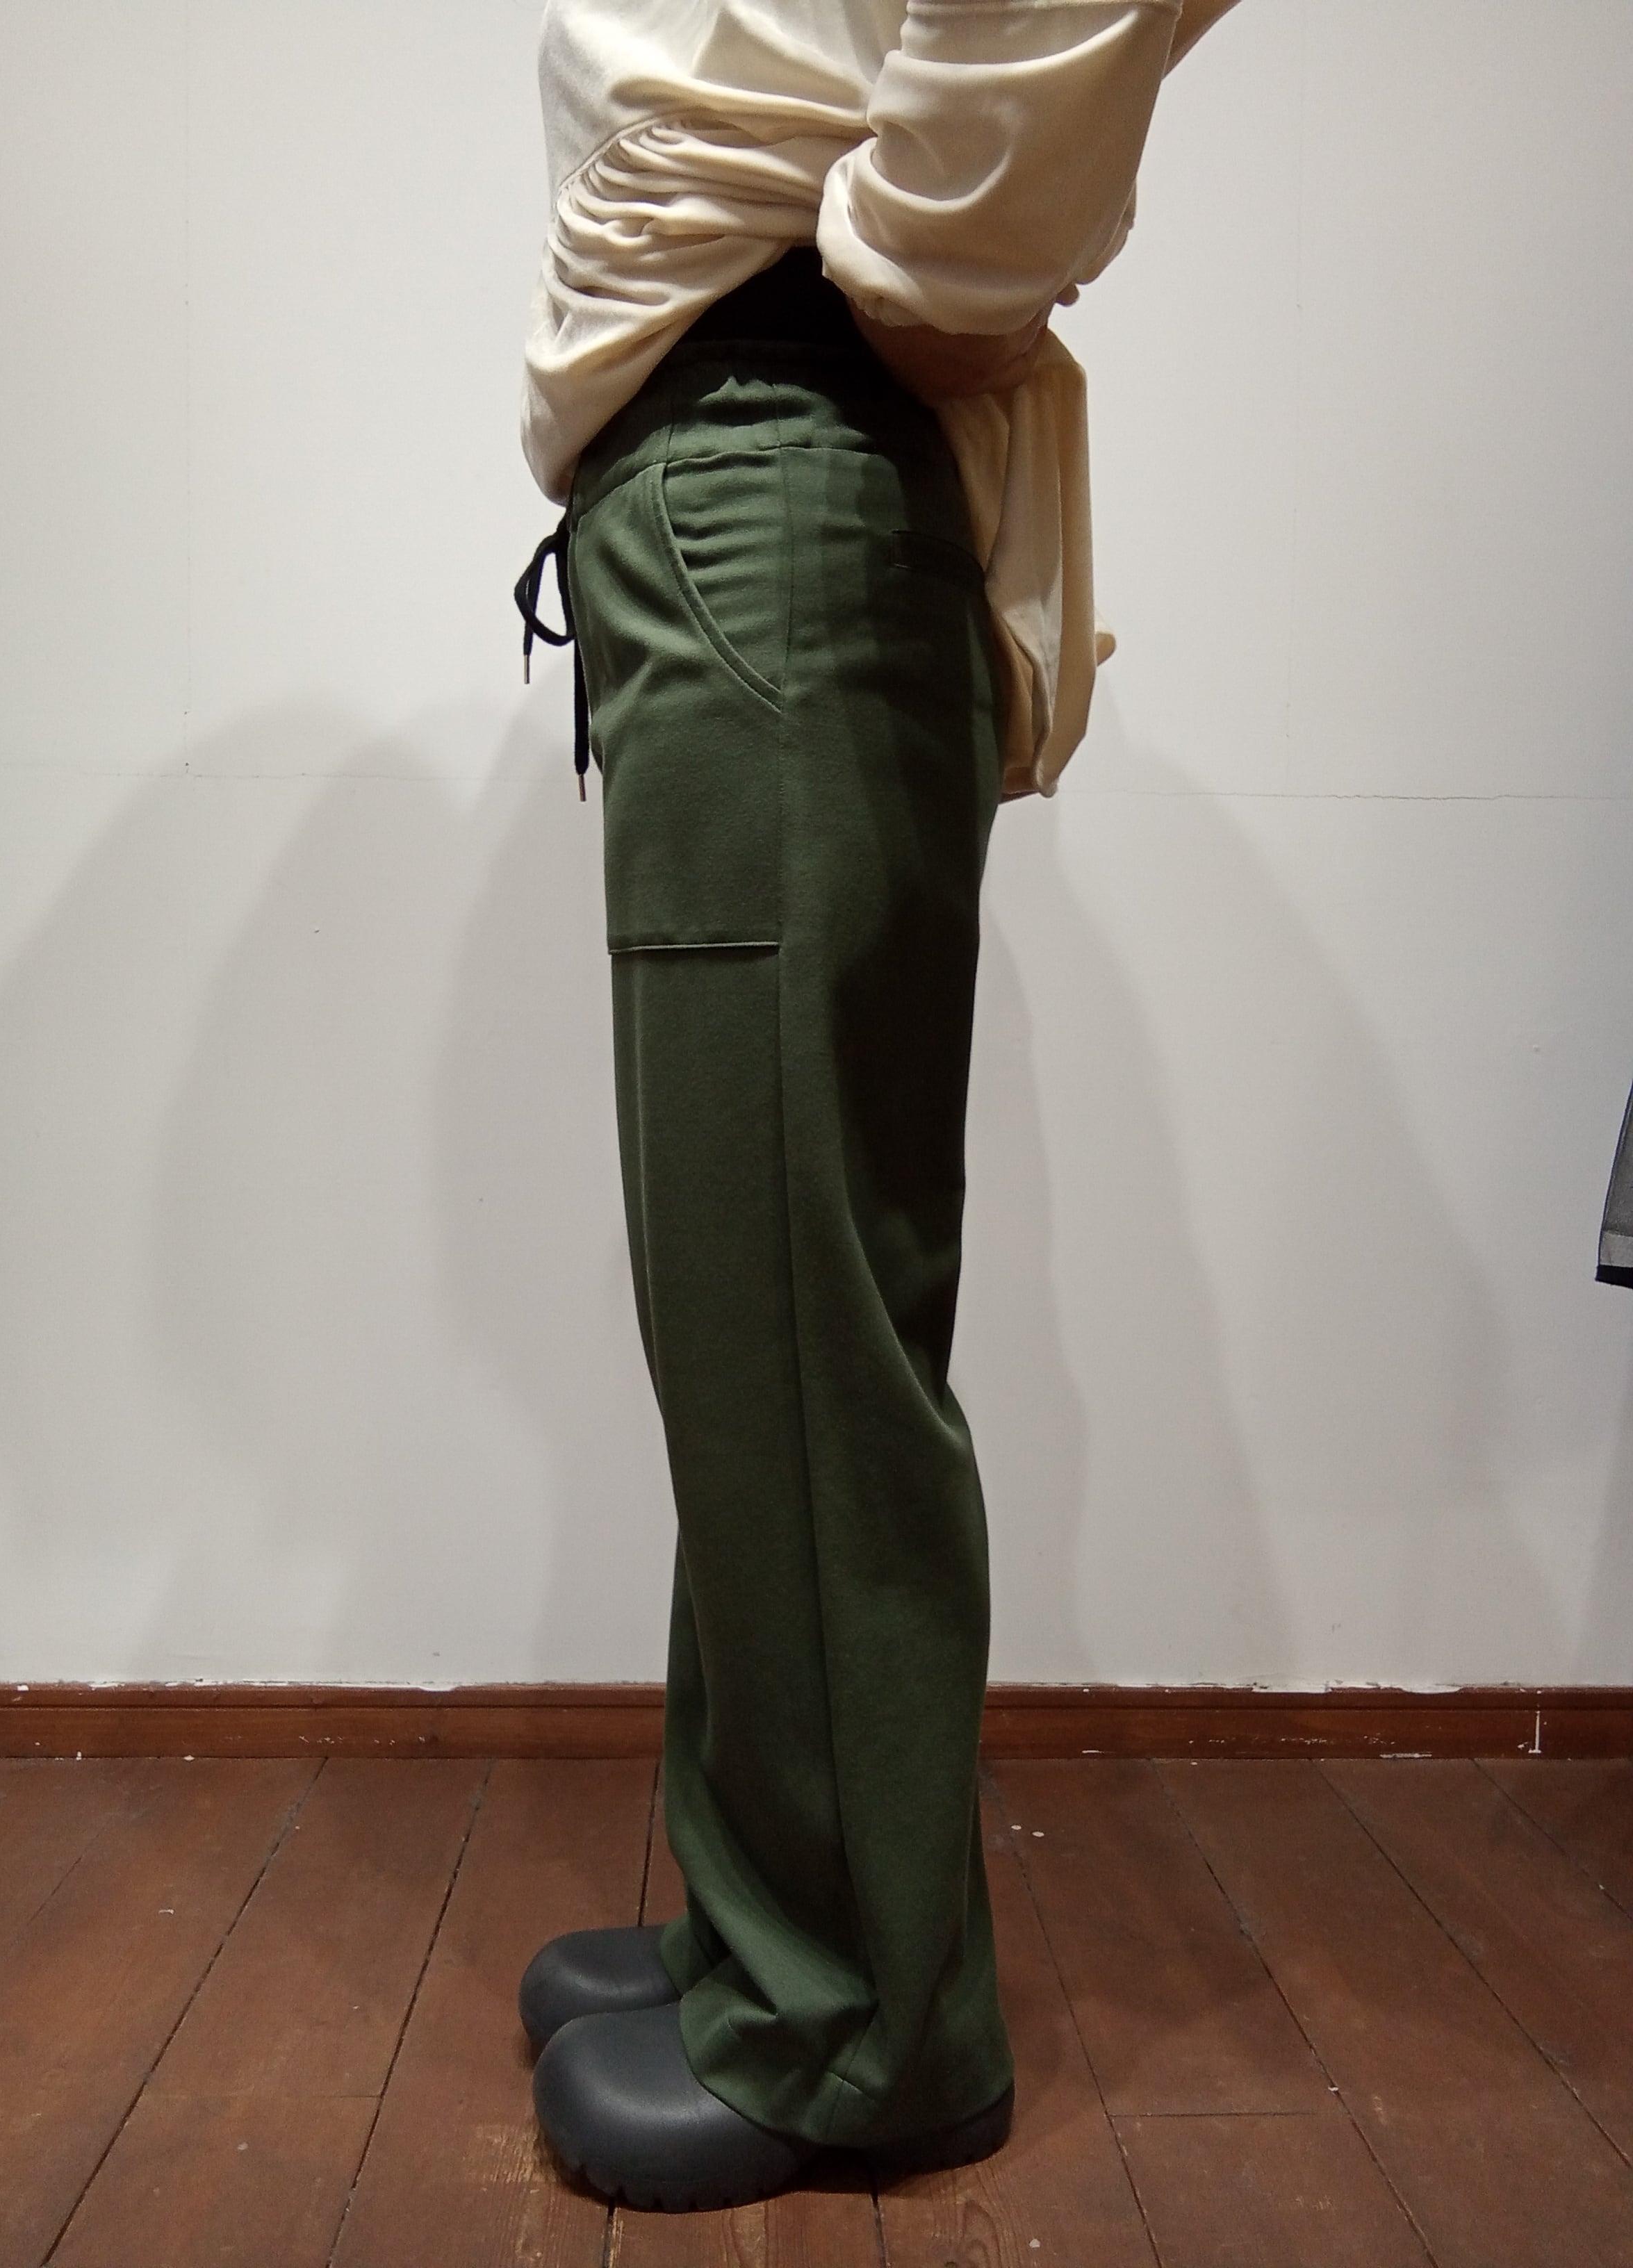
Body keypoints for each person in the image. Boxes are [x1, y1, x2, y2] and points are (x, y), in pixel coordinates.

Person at [511, 0, 1241, 2213]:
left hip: (778, 453)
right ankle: (766, 1922)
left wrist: (904, 285)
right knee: (758, 1319)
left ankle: (858, 2031)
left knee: (798, 1325)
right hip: (727, 483)